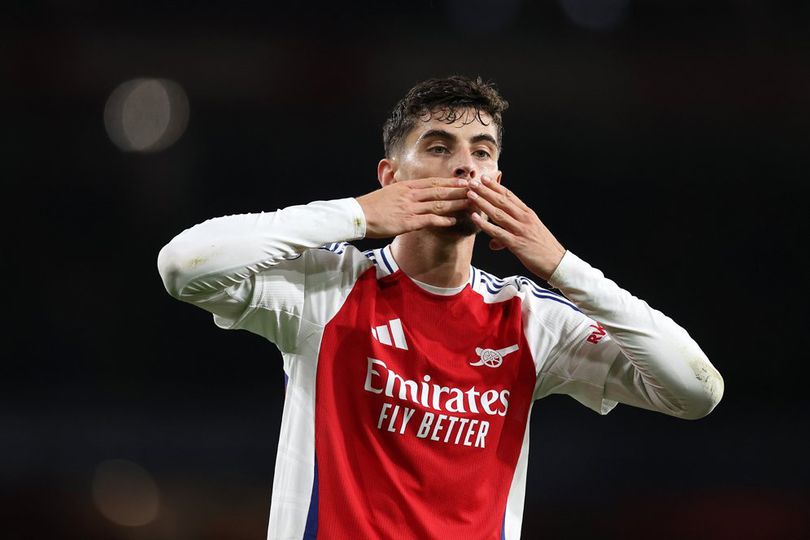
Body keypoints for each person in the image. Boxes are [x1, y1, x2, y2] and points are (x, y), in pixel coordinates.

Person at [157, 75, 724, 540]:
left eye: (482, 152)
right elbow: (183, 265)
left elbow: (696, 391)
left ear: (497, 180)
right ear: (390, 176)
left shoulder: (530, 320)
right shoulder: (326, 288)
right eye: (438, 147)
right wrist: (357, 215)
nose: (465, 166)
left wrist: (561, 266)